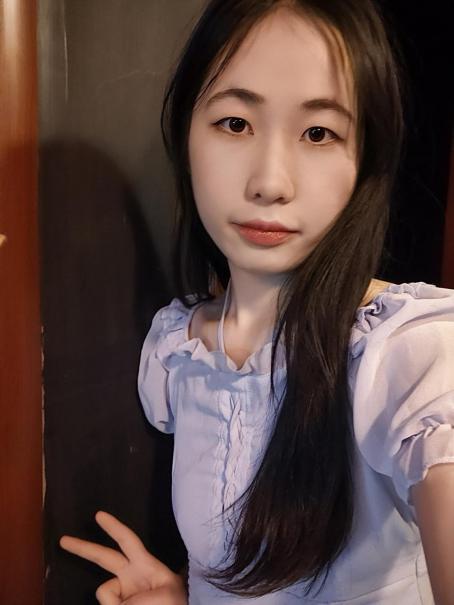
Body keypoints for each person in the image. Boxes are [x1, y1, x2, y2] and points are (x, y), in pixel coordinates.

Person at [59, 0, 454, 603]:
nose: (270, 182)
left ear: (365, 160)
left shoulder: (407, 353)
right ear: (185, 136)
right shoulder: (179, 352)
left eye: (319, 133)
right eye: (235, 123)